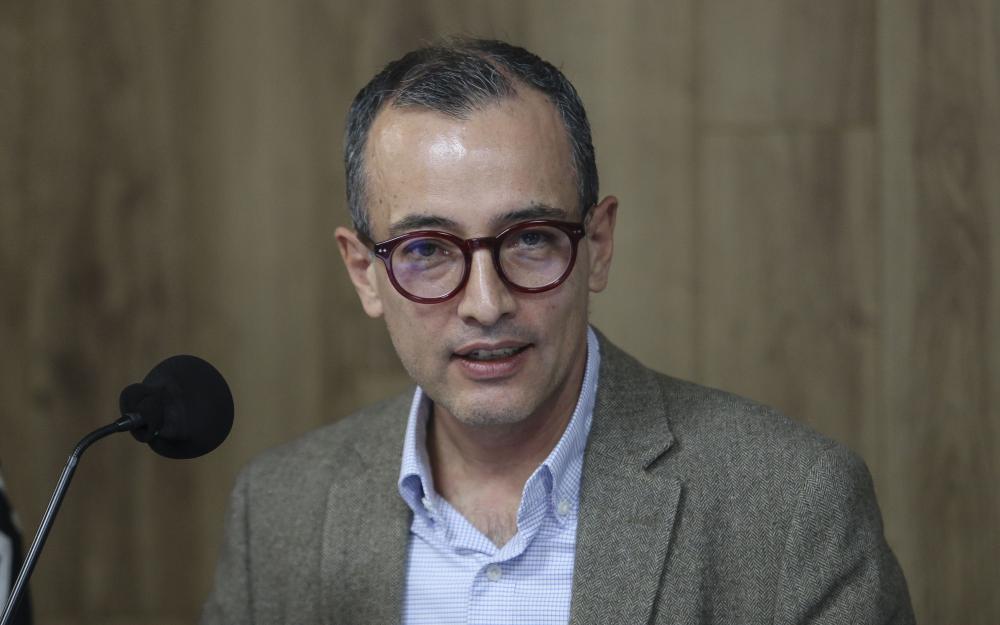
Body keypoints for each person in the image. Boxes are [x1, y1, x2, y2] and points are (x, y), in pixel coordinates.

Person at [201, 38, 914, 624]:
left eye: (530, 239)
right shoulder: (278, 511)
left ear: (598, 245)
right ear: (365, 274)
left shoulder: (794, 505)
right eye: (427, 250)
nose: (486, 303)